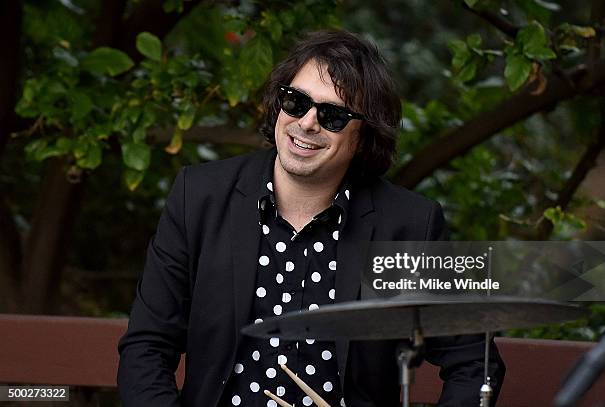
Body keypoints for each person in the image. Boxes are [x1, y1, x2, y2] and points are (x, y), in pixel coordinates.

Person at [117, 29, 505, 407]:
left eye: (333, 115)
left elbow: (476, 364)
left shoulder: (408, 226)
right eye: (296, 101)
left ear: (364, 135)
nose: (306, 123)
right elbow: (147, 346)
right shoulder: (200, 196)